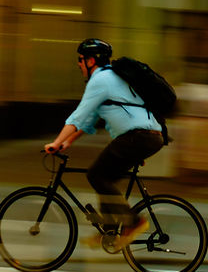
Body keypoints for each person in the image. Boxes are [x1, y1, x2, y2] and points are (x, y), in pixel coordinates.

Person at [44, 38, 165, 249]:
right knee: (104, 177)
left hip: (139, 137)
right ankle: (110, 232)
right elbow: (89, 120)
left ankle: (133, 222)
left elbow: (78, 115)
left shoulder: (100, 80)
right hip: (146, 136)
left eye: (80, 60)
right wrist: (67, 142)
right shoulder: (111, 78)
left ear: (91, 61)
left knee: (96, 174)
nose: (78, 64)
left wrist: (56, 142)